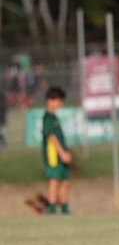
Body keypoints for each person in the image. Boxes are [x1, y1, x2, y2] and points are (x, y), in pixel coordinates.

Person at [42, 86, 73, 215]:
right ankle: (52, 207)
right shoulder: (48, 118)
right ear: (50, 101)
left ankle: (64, 206)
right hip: (54, 156)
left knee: (66, 180)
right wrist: (62, 153)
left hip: (61, 156)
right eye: (59, 100)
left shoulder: (55, 117)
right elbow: (52, 137)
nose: (61, 104)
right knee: (54, 181)